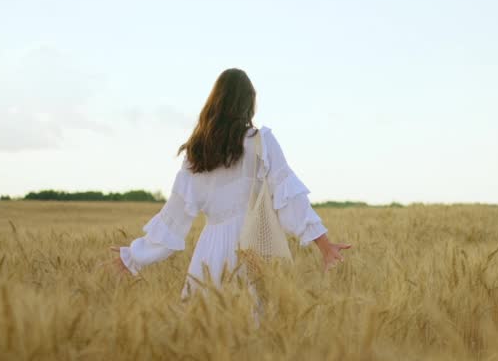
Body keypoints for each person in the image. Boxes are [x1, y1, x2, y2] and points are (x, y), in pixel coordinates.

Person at [110, 68, 349, 297]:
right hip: (252, 248)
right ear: (249, 103)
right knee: (253, 325)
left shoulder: (197, 152)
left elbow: (175, 216)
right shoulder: (261, 142)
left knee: (205, 329)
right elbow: (289, 199)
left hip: (209, 250)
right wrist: (325, 246)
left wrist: (133, 255)